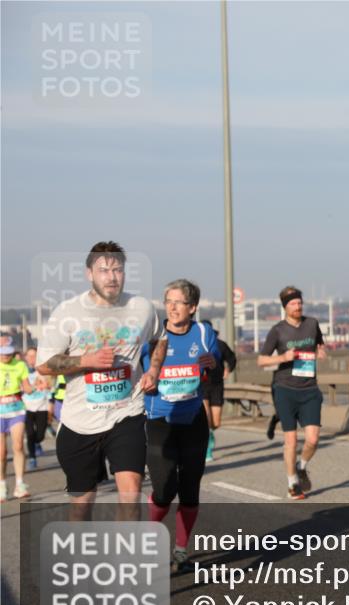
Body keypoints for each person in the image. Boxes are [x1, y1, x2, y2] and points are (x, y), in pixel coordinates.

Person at [36, 241, 166, 521]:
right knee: (82, 506)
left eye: (117, 269)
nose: (111, 276)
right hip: (80, 421)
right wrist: (86, 361)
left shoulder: (141, 308)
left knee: (131, 494)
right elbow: (43, 365)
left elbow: (161, 338)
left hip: (126, 412)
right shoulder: (68, 313)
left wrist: (153, 370)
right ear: (89, 274)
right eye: (103, 270)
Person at [143, 280, 220, 572]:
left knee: (189, 490)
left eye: (179, 302)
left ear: (192, 307)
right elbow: (136, 371)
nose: (172, 308)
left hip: (192, 420)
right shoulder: (152, 337)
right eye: (168, 301)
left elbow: (216, 376)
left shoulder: (203, 333)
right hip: (160, 421)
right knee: (164, 489)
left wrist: (214, 366)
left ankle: (180, 551)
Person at [257, 286, 326, 499]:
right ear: (285, 307)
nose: (297, 307)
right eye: (293, 304)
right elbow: (261, 360)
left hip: (309, 389)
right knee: (291, 440)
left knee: (313, 439)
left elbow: (320, 345)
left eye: (299, 303)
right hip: (285, 389)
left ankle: (301, 466)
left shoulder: (312, 324)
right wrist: (282, 358)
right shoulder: (278, 330)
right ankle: (292, 483)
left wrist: (322, 352)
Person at [0, 336, 34, 501]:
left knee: (18, 445)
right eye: (2, 353)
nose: (5, 356)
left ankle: (20, 484)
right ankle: (2, 484)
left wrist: (31, 388)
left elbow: (27, 386)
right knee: (1, 452)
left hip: (16, 408)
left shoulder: (20, 365)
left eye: (8, 352)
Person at [201, 320, 237, 462]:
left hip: (217, 386)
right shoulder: (197, 346)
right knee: (206, 418)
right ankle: (207, 448)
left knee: (216, 423)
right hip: (202, 386)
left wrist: (228, 369)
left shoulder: (220, 345)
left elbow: (232, 358)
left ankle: (210, 434)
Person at [23, 347, 53, 470]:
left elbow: (50, 387)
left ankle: (37, 443)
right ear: (25, 357)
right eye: (29, 356)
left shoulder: (43, 370)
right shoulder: (22, 371)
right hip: (26, 407)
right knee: (30, 434)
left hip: (42, 406)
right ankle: (32, 458)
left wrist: (51, 404)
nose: (31, 358)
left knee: (40, 435)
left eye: (34, 355)